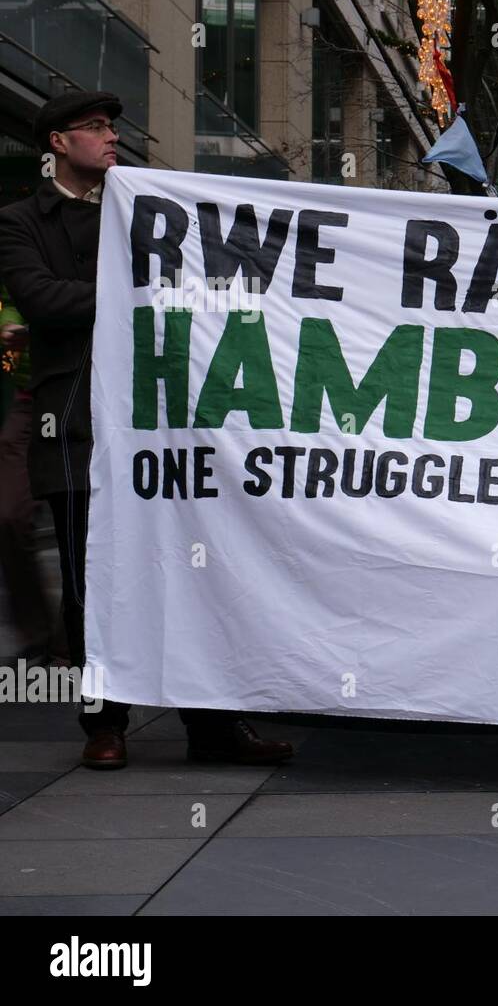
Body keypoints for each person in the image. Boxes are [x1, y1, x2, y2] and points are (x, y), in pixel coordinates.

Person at [0, 89, 293, 770]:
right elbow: (42, 302)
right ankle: (105, 722)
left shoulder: (148, 211)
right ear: (57, 143)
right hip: (75, 419)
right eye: (94, 127)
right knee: (88, 574)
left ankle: (214, 724)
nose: (109, 137)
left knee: (196, 565)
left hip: (165, 416)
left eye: (112, 127)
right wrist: (141, 292)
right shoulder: (20, 221)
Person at [0, 298, 60, 666]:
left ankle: (74, 643)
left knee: (85, 519)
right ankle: (37, 633)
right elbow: (10, 295)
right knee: (8, 513)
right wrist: (9, 324)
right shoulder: (20, 241)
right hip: (31, 398)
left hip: (86, 392)